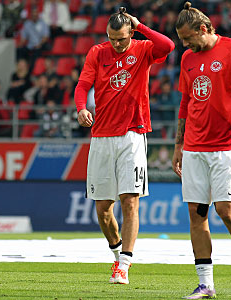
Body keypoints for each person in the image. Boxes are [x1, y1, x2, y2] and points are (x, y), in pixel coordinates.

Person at [73, 7, 174, 285]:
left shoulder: (142, 49)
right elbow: (82, 85)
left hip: (132, 133)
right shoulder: (97, 52)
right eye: (112, 38)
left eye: (121, 39)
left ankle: (124, 265)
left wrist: (140, 25)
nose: (117, 44)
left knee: (130, 202)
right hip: (102, 135)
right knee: (103, 209)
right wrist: (81, 108)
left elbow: (168, 45)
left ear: (130, 32)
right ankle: (117, 254)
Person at [173, 2, 231, 298]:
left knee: (226, 212)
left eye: (188, 38)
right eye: (182, 40)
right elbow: (186, 102)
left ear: (204, 28)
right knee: (197, 214)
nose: (185, 45)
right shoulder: (187, 58)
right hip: (194, 148)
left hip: (227, 146)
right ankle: (206, 284)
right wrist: (178, 144)